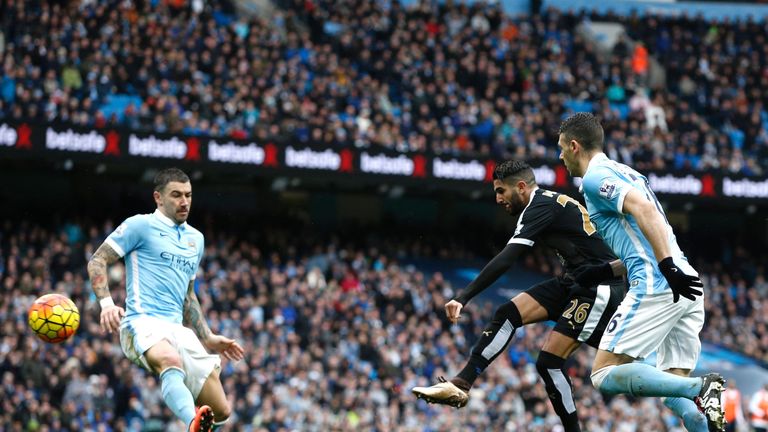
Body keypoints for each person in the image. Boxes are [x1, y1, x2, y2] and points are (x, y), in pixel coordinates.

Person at [412, 160, 626, 432]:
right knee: (507, 313)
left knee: (549, 363)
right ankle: (461, 384)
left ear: (522, 187)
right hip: (576, 281)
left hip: (601, 286)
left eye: (501, 191)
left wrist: (463, 297)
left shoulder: (539, 205)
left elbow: (507, 259)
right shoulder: (546, 202)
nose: (498, 199)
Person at [557, 112, 725, 432]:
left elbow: (644, 210)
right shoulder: (627, 172)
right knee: (672, 391)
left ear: (575, 146)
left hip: (659, 283)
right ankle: (701, 414)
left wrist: (665, 267)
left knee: (603, 375)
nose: (560, 156)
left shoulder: (595, 177)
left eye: (561, 147)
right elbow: (645, 236)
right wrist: (605, 270)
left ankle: (701, 387)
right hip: (685, 282)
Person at [87, 168, 245, 432]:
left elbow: (188, 295)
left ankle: (199, 425)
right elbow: (98, 260)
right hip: (141, 321)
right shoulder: (140, 225)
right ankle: (191, 422)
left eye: (188, 195)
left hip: (177, 328)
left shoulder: (196, 239)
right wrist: (106, 304)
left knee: (221, 411)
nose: (184, 201)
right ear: (158, 198)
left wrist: (206, 337)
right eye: (176, 195)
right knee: (170, 360)